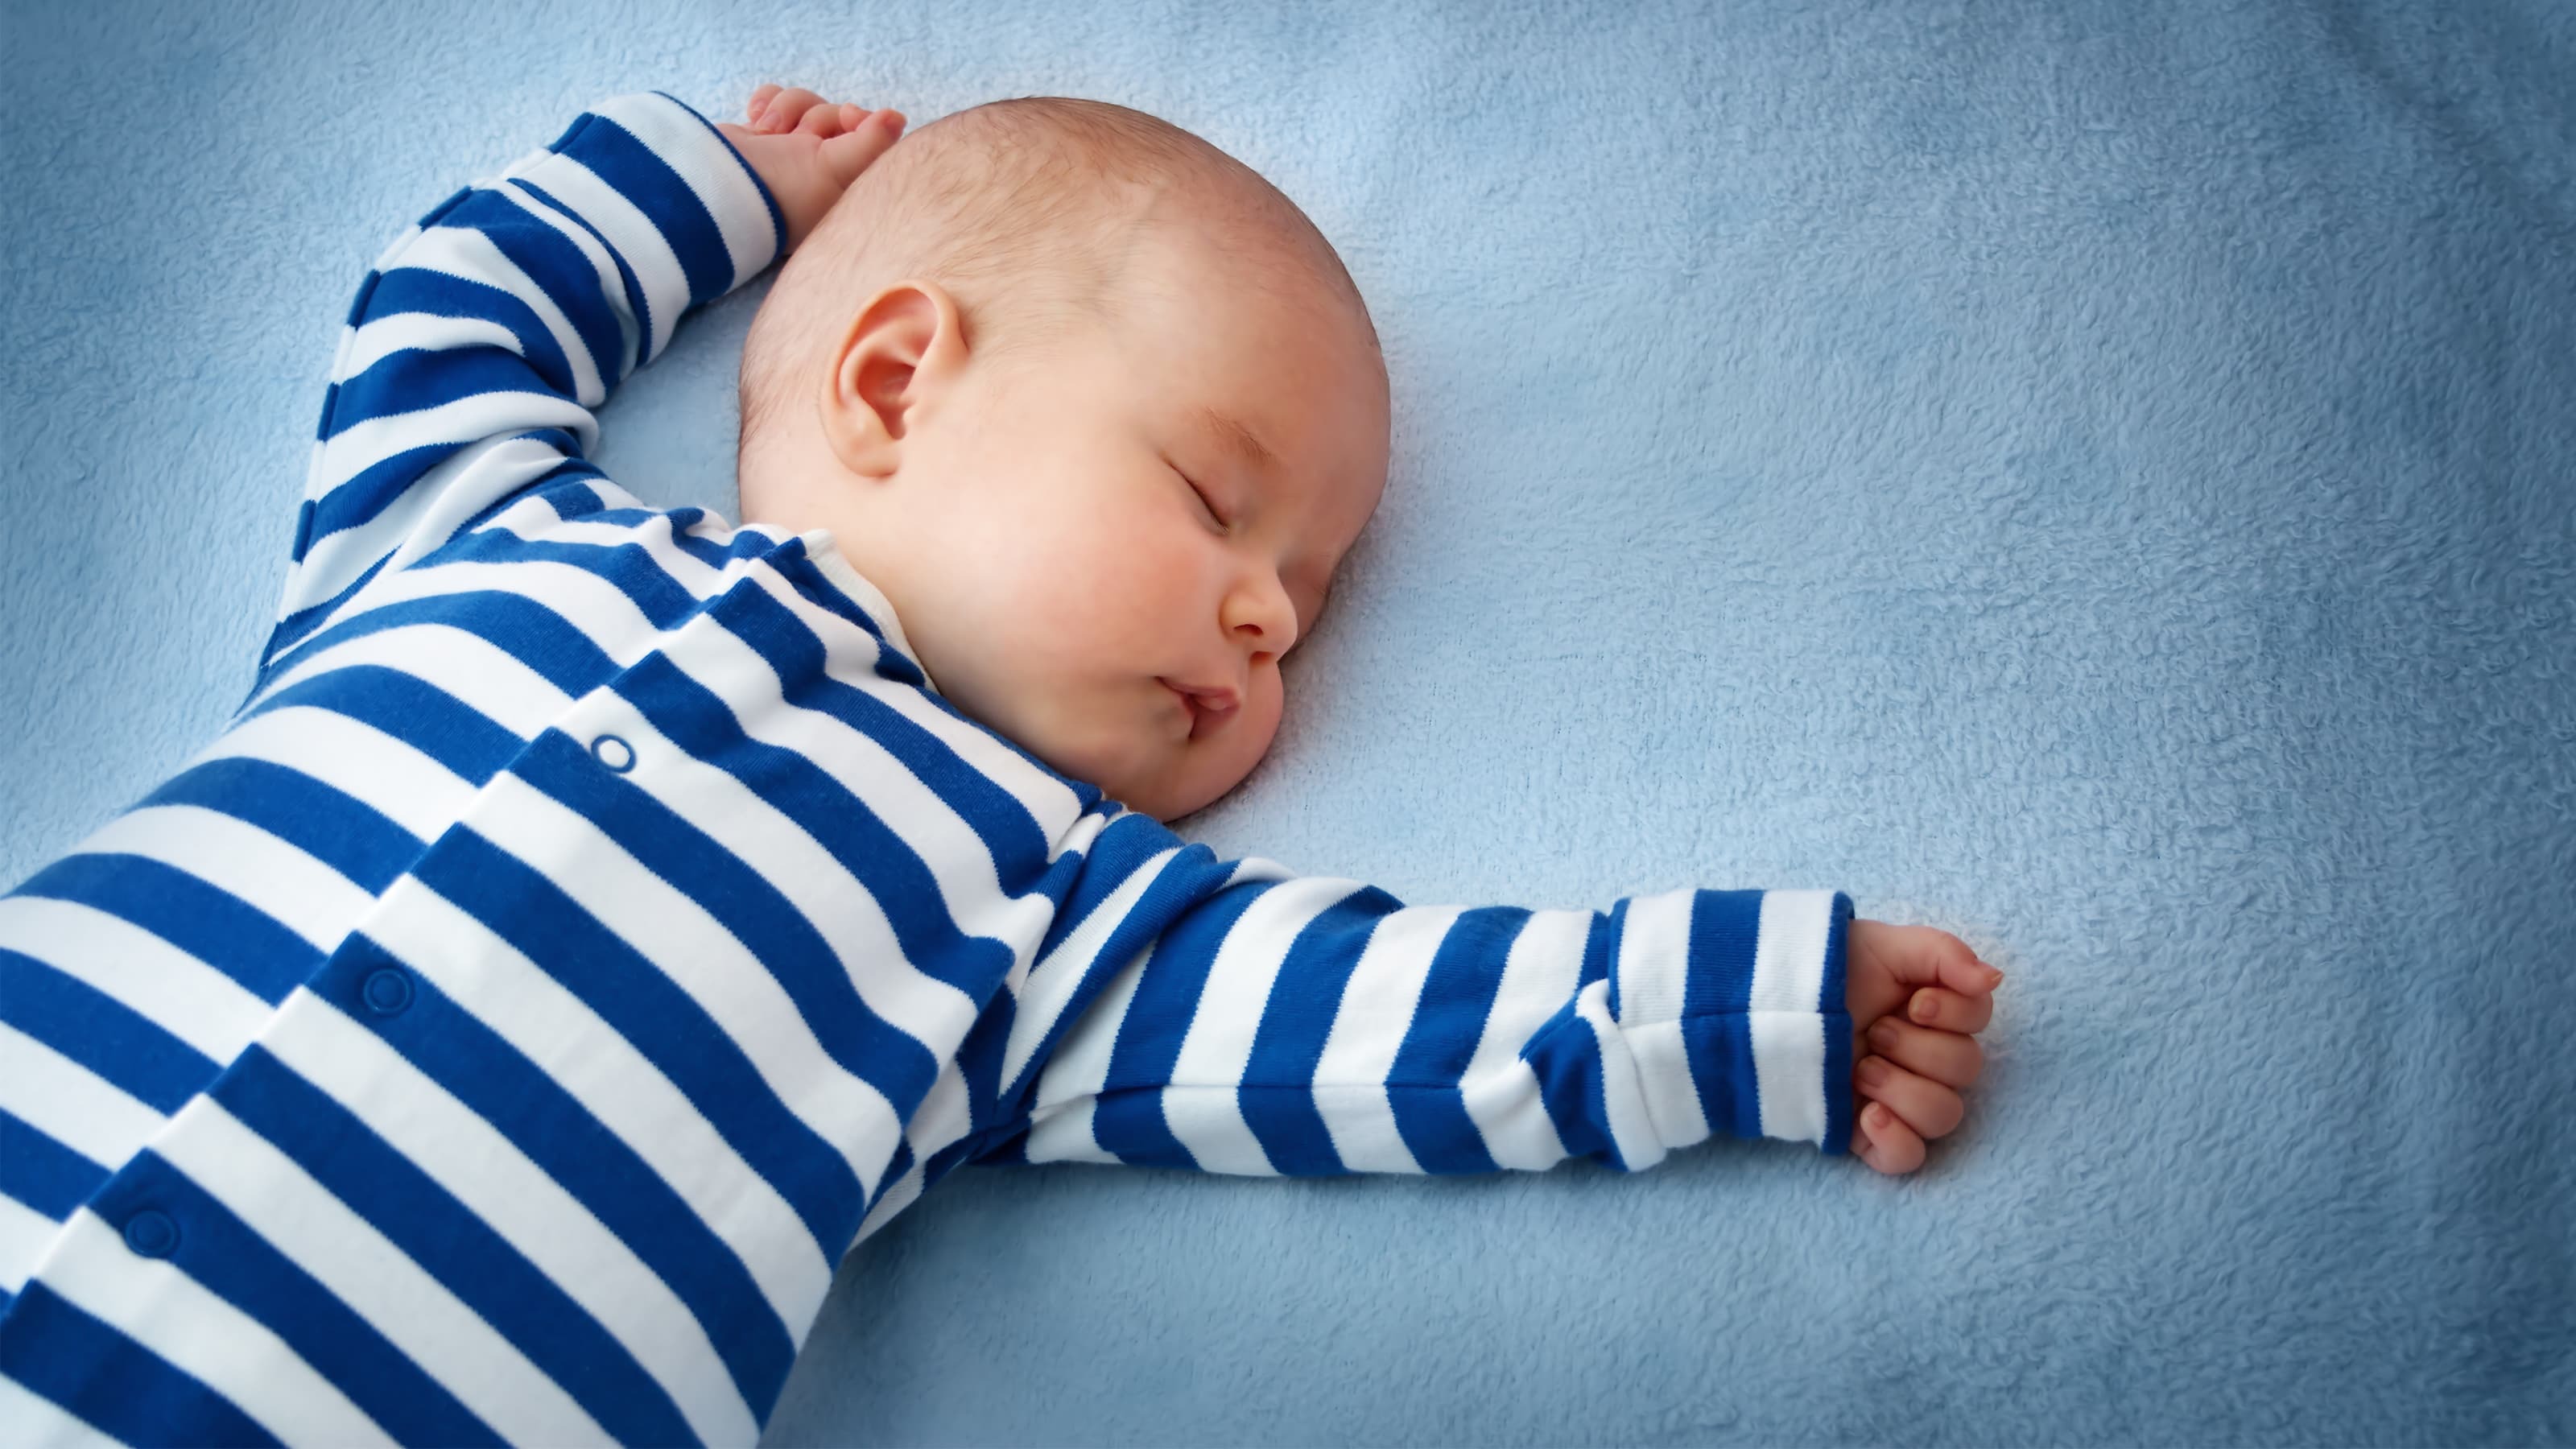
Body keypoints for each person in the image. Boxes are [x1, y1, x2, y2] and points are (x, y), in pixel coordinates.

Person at [0, 82, 2002, 1444]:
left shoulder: (1048, 912)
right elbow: (451, 308)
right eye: (1220, 501)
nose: (1274, 618)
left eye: (1305, 584)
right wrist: (700, 182)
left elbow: (1392, 1025)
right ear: (892, 379)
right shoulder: (475, 537)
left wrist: (1750, 1007)